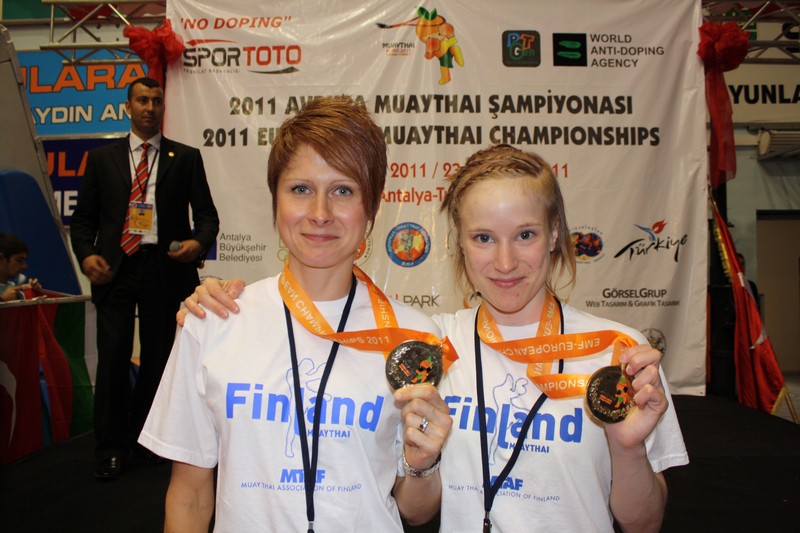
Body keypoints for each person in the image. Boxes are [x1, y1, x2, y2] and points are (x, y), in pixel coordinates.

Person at [183, 144, 688, 531]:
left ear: (555, 233)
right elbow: (415, 510)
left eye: (526, 235)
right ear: (459, 244)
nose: (505, 262)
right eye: (483, 237)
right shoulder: (429, 346)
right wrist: (216, 300)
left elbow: (643, 523)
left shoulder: (617, 354)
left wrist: (627, 449)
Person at [139, 96, 451, 531]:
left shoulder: (413, 340)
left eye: (343, 190)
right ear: (276, 200)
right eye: (301, 189)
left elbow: (416, 511)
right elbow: (189, 497)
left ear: (373, 207)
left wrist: (422, 463)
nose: (320, 213)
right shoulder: (214, 320)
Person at [70, 76, 220, 481]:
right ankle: (110, 448)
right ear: (128, 106)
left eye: (156, 101)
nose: (150, 107)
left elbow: (207, 217)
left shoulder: (184, 157)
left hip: (165, 268)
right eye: (142, 100)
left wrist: (197, 244)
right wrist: (86, 255)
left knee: (159, 360)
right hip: (115, 269)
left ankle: (147, 441)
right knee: (113, 358)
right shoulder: (102, 159)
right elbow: (82, 221)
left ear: (162, 108)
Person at [0, 232, 42, 301]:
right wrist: (2, 299)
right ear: (1, 258)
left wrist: (33, 295)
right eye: (19, 260)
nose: (24, 266)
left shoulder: (17, 292)